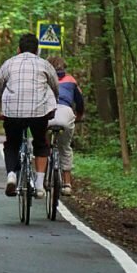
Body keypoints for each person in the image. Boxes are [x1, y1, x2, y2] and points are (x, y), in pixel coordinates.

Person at [0, 33, 59, 198]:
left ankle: (11, 176)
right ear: (37, 50)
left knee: (12, 144)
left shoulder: (8, 64)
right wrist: (53, 106)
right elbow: (55, 87)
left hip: (12, 113)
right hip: (39, 112)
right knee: (41, 143)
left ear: (18, 49)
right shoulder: (45, 64)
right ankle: (39, 185)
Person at [47, 56, 84, 196]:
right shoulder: (71, 80)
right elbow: (80, 102)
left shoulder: (44, 79)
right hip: (66, 113)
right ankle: (67, 184)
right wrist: (79, 116)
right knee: (65, 147)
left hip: (48, 112)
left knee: (42, 144)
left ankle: (42, 177)